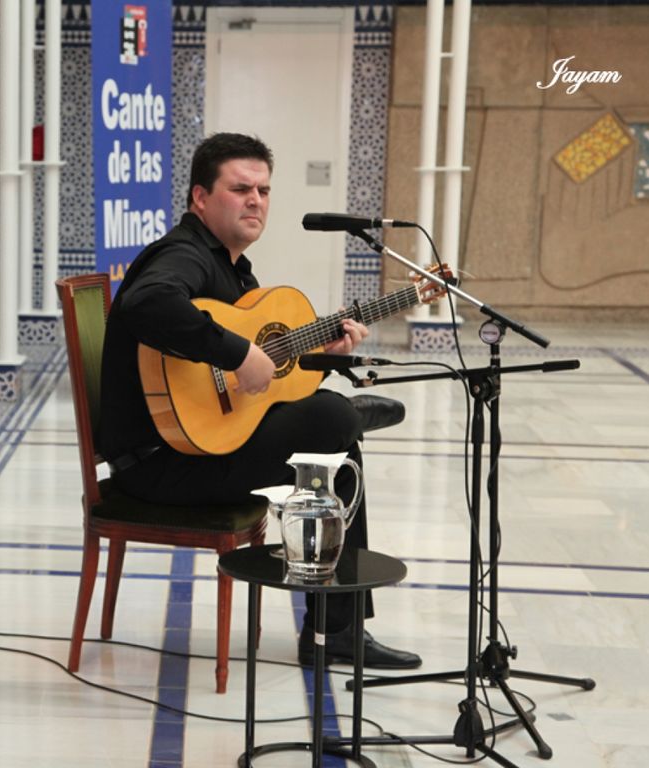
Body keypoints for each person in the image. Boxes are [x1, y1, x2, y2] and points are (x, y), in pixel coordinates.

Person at [98, 132, 420, 669]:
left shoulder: (235, 270)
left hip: (202, 447)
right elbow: (147, 302)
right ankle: (336, 630)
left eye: (264, 191)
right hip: (161, 466)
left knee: (337, 449)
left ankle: (337, 628)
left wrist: (322, 355)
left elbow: (261, 382)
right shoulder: (183, 254)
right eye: (240, 188)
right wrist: (235, 352)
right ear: (200, 197)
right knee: (332, 421)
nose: (255, 201)